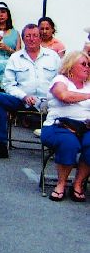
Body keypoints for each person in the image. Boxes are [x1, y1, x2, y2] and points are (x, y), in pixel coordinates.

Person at [0, 23, 61, 159]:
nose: (32, 39)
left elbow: (61, 80)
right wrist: (24, 96)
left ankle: (60, 146)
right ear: (23, 38)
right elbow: (8, 84)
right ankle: (0, 146)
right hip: (22, 100)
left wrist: (52, 97)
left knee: (67, 100)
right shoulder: (15, 57)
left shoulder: (53, 56)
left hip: (49, 101)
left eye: (35, 36)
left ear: (40, 38)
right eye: (28, 36)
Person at [40, 52, 90, 201]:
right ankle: (61, 184)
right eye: (83, 64)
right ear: (70, 65)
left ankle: (78, 183)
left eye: (89, 64)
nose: (87, 67)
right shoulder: (60, 80)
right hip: (58, 126)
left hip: (85, 127)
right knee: (69, 143)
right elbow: (64, 96)